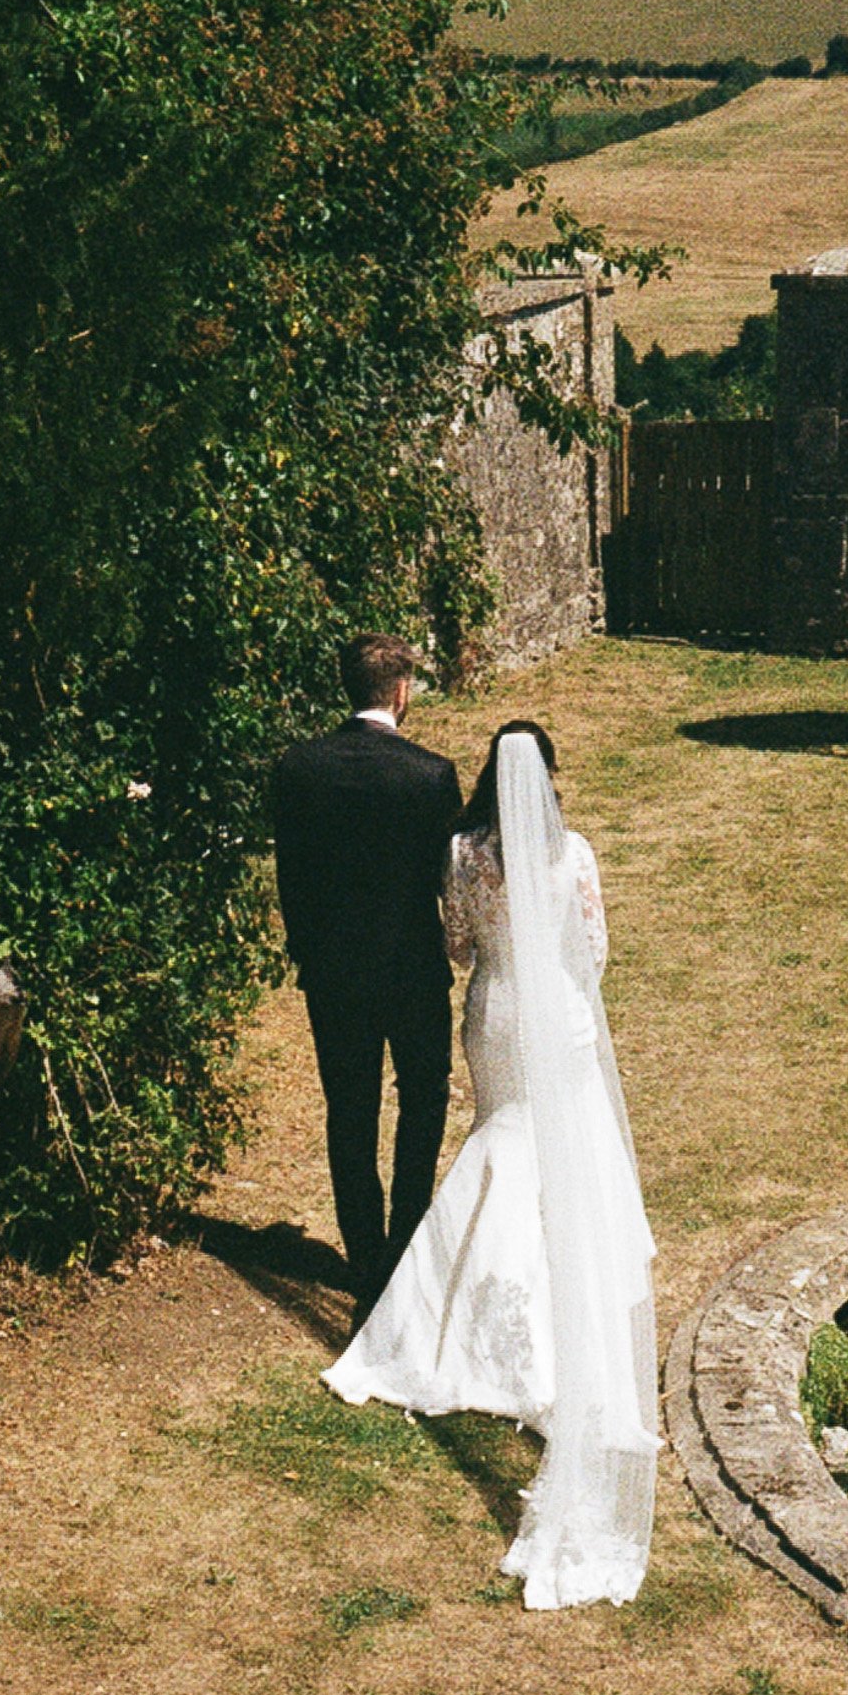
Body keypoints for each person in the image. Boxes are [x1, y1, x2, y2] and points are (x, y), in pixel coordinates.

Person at [326, 724, 658, 1610]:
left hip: (497, 1014)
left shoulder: (465, 853)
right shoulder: (574, 851)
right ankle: (559, 1312)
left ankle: (455, 1314)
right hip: (560, 1014)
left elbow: (461, 950)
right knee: (563, 1154)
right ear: (547, 780)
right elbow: (596, 952)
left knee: (501, 1142)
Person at [271, 634, 462, 1325]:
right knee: (423, 1100)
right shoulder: (431, 775)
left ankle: (364, 1252)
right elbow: (448, 881)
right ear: (402, 689)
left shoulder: (299, 767)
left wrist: (310, 952)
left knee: (349, 1110)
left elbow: (291, 876)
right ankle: (405, 1245)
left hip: (334, 974)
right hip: (411, 969)